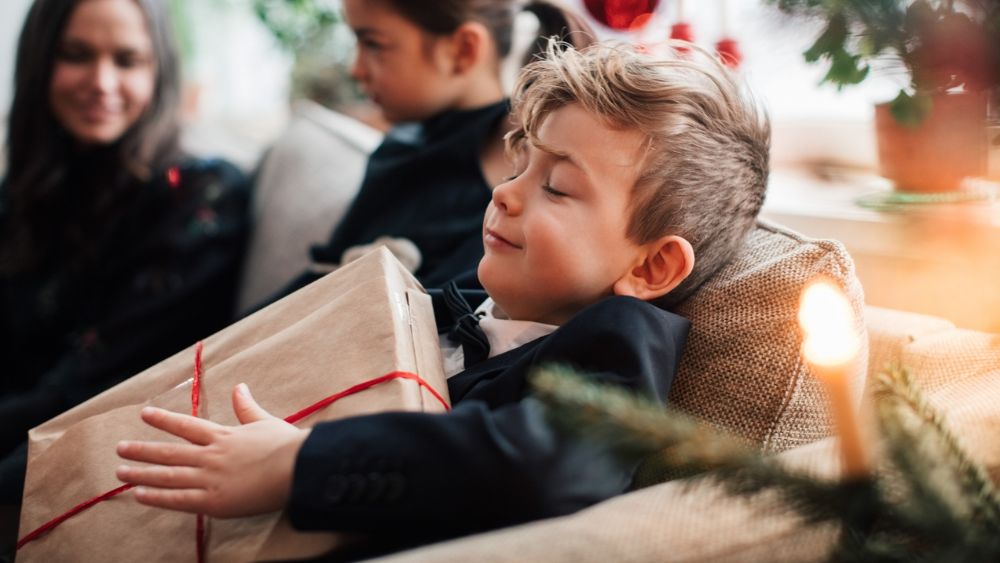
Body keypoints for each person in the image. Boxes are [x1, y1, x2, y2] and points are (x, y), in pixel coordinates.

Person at [116, 41, 771, 555]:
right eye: (521, 166)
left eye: (559, 188)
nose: (506, 192)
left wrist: (300, 463)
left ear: (653, 264)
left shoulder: (621, 340)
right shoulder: (448, 299)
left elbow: (548, 465)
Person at [0, 0, 249, 506]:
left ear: (159, 72)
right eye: (76, 54)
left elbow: (90, 390)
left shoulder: (201, 195)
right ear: (39, 61)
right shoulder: (28, 188)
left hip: (73, 463)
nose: (102, 81)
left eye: (128, 60)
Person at [274, 0, 594, 296]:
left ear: (463, 50)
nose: (354, 69)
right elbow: (326, 276)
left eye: (373, 43)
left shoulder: (501, 194)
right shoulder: (403, 146)